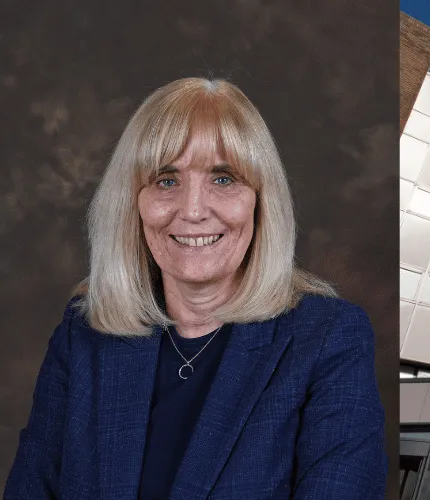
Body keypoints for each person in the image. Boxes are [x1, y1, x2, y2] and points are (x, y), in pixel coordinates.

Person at [4, 78, 386, 499]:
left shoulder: (328, 339)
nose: (192, 211)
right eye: (167, 180)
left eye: (223, 179)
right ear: (133, 201)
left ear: (260, 200)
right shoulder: (83, 338)